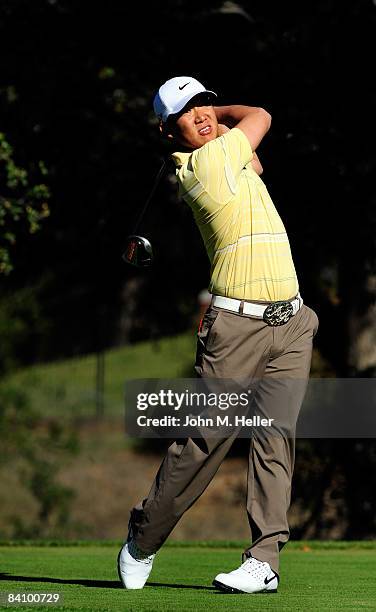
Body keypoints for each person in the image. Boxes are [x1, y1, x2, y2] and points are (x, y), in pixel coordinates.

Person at [118, 76, 319, 594]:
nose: (204, 114)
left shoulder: (228, 155)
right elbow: (262, 115)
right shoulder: (207, 166)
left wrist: (208, 112)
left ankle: (264, 559)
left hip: (292, 322)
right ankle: (143, 537)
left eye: (206, 104)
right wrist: (225, 109)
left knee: (275, 440)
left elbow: (254, 158)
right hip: (236, 328)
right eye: (189, 112)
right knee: (205, 442)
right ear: (169, 130)